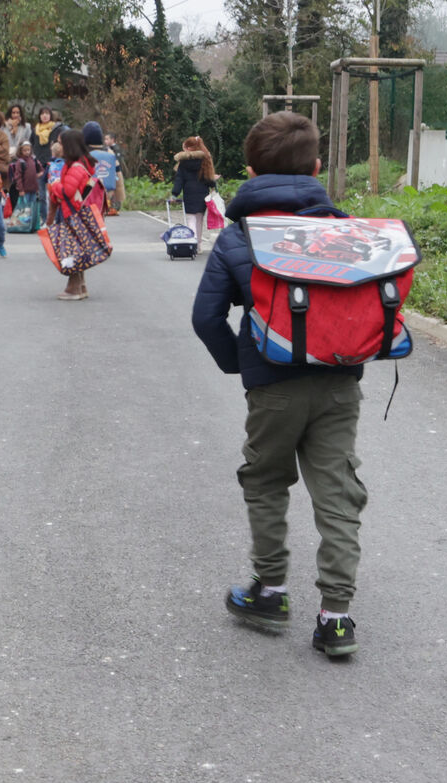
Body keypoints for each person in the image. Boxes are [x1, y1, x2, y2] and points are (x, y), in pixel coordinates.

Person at [191, 111, 366, 659]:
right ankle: (336, 617)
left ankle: (270, 592)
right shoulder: (343, 228)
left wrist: (243, 365)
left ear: (249, 169)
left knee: (265, 480)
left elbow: (206, 318)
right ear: (317, 166)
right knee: (337, 492)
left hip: (273, 385)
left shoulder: (238, 238)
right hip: (339, 381)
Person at [46, 128, 95, 301]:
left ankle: (73, 288)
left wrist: (55, 185)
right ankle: (80, 286)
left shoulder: (75, 167)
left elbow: (68, 191)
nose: (59, 146)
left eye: (61, 142)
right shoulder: (82, 163)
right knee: (77, 249)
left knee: (71, 250)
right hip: (77, 213)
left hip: (71, 213)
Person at [171, 135, 217, 247]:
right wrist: (214, 185)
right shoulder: (204, 161)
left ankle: (193, 242)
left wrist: (174, 194)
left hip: (189, 193)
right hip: (203, 194)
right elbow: (208, 178)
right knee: (199, 220)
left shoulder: (183, 163)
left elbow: (179, 180)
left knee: (191, 219)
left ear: (189, 148)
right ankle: (199, 244)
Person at [83, 121, 123, 217]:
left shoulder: (83, 153)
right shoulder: (109, 152)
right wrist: (119, 197)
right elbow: (118, 175)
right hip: (106, 194)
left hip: (87, 195)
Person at [11, 141, 43, 227]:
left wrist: (40, 173)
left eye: (28, 150)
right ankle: (23, 224)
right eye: (25, 150)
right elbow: (18, 177)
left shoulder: (34, 159)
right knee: (25, 209)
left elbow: (40, 169)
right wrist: (21, 189)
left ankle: (31, 224)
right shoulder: (20, 162)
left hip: (33, 188)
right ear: (20, 151)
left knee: (33, 208)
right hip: (25, 190)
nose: (27, 152)